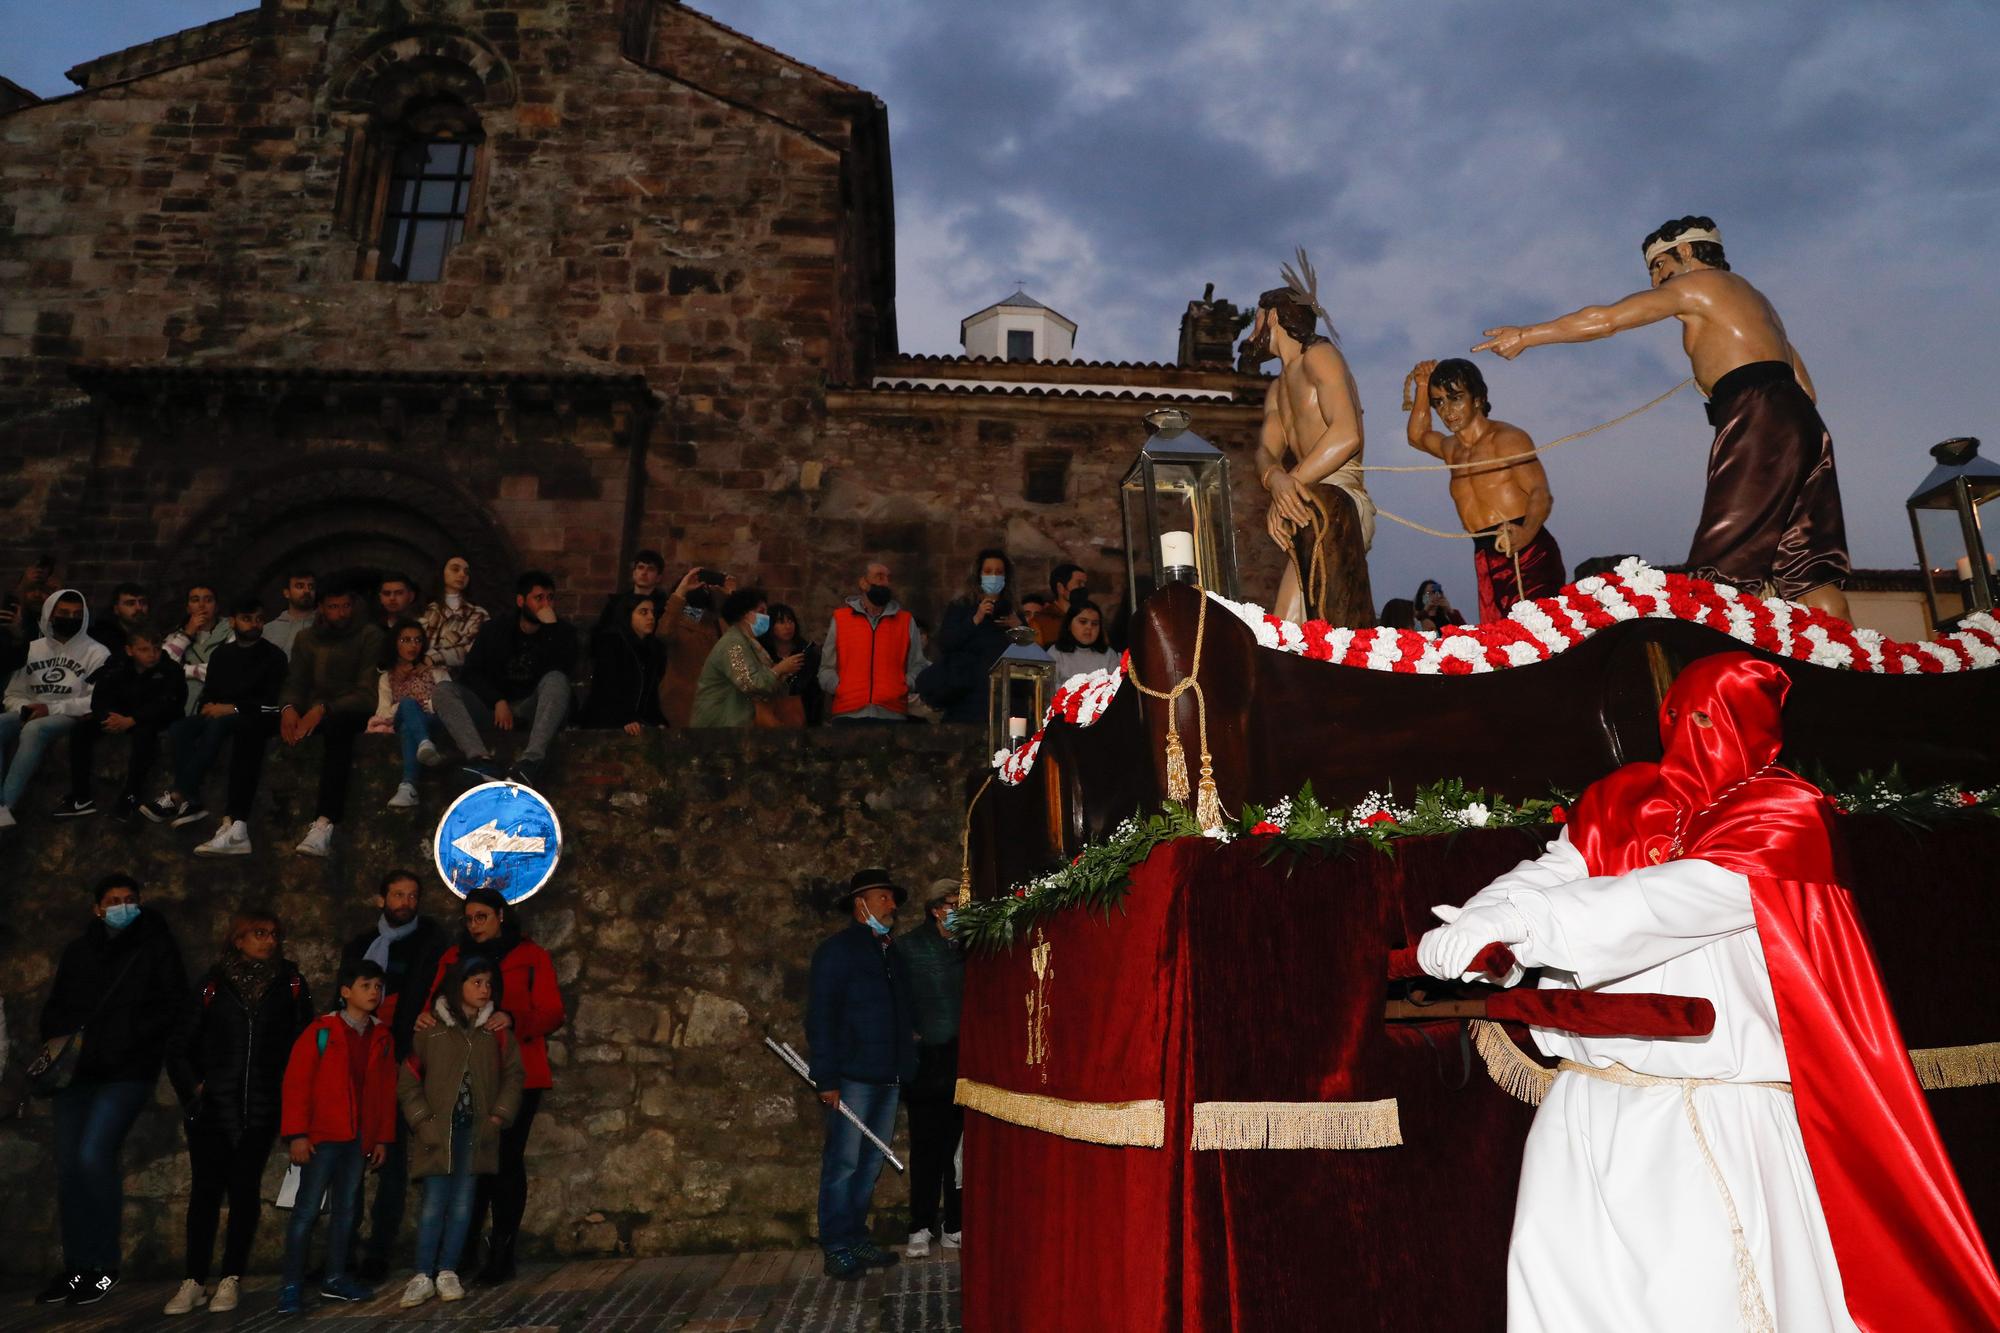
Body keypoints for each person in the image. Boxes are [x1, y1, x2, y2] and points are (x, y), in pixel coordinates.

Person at [1417, 653, 2000, 1331]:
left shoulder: (1786, 815)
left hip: (1712, 1113)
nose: (1695, 732)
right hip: (1584, 1099)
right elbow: (1550, 871)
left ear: (1760, 730)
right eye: (1682, 716)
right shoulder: (1623, 800)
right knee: (1560, 1296)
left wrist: (1523, 925)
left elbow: (1668, 904)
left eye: (1715, 718)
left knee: (1707, 1303)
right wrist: (1480, 922)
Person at [1474, 215, 1851, 621]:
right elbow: (1807, 389)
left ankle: (1727, 675)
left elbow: (1608, 319)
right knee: (1809, 571)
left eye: (1659, 266)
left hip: (1757, 417)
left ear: (1686, 251)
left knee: (1723, 564)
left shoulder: (1697, 285)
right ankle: (1846, 670)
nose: (1658, 281)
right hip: (1803, 424)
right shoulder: (1756, 299)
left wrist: (1527, 335)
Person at [35, 873, 189, 1307]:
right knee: (69, 1168)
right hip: (76, 1075)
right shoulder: (79, 951)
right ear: (97, 908)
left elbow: (172, 1006)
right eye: (114, 900)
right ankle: (77, 1268)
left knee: (92, 1155)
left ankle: (104, 1269)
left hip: (125, 1072)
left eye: (129, 899)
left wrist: (129, 1042)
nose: (123, 905)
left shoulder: (154, 947)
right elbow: (57, 1006)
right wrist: (60, 1040)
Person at [161, 907, 313, 1316]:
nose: (268, 940)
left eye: (274, 934)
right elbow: (179, 1045)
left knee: (244, 1192)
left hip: (261, 1107)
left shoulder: (292, 984)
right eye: (259, 933)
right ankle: (193, 1280)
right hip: (212, 1108)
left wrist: (286, 1096)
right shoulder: (212, 984)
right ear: (239, 938)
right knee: (206, 1193)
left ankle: (231, 1279)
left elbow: (304, 1046)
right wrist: (196, 1089)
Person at [419, 888, 565, 1285]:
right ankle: (461, 1251)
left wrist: (513, 1018)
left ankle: (502, 1253)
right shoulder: (453, 957)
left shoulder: (531, 956)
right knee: (468, 1164)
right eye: (469, 918)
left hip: (517, 1072)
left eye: (481, 916)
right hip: (464, 1073)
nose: (474, 925)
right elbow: (433, 1005)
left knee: (505, 1164)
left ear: (501, 915)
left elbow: (551, 1011)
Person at [1249, 257, 1377, 626]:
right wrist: (1276, 480)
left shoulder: (1320, 357)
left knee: (1291, 625)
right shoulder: (1276, 388)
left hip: (1337, 498)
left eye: (1255, 319)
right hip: (1307, 500)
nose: (1251, 331)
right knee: (1301, 626)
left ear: (1273, 316)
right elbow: (1266, 450)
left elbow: (1347, 433)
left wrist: (1292, 482)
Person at [807, 868, 917, 1280]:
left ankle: (855, 1238)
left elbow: (902, 1012)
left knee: (870, 1164)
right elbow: (821, 1017)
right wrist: (827, 1078)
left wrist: (908, 1059)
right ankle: (836, 1245)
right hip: (852, 1077)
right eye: (884, 898)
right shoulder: (836, 953)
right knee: (844, 1164)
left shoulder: (889, 951)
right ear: (861, 905)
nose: (892, 906)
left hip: (887, 1076)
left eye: (892, 899)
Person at [341, 870, 452, 1281]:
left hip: (405, 1057)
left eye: (412, 895)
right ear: (381, 899)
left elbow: (437, 990)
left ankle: (378, 1254)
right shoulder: (361, 945)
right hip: (364, 1056)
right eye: (398, 894)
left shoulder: (432, 940)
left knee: (392, 1160)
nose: (405, 902)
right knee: (352, 1154)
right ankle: (342, 1252)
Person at [398, 955, 524, 1309]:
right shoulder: (432, 1029)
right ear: (458, 986)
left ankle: (448, 1269)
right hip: (438, 1130)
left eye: (488, 984)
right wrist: (422, 1120)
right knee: (434, 1203)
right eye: (476, 983)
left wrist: (497, 1117)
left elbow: (514, 1075)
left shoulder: (495, 1032)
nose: (484, 990)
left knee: (464, 1203)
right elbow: (409, 1078)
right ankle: (423, 1273)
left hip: (476, 1129)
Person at [276, 957, 395, 1315]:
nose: (373, 992)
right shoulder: (321, 1032)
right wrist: (297, 1134)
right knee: (307, 1211)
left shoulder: (381, 1036)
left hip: (358, 1137)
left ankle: (335, 1277)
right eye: (365, 986)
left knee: (346, 1210)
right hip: (324, 1135)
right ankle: (291, 1285)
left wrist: (381, 1138)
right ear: (345, 992)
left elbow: (386, 1090)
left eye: (378, 987)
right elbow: (297, 1084)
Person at [1405, 359, 1564, 623]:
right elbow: (1417, 435)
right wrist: (1422, 386)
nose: (1447, 410)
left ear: (1478, 398)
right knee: (1499, 647)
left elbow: (1540, 492)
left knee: (1539, 639)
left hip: (1526, 550)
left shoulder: (1506, 438)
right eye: (1439, 402)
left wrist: (1526, 534)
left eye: (1455, 398)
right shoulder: (1450, 449)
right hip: (1484, 555)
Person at [149, 596, 288, 854]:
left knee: (219, 725)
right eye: (247, 619)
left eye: (259, 619)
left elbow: (271, 702)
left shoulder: (274, 656)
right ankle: (192, 801)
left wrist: (232, 708)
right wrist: (211, 706)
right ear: (233, 622)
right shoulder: (223, 654)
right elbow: (212, 691)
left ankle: (180, 792)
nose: (254, 624)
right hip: (221, 710)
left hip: (256, 715)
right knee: (181, 728)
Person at [432, 569, 576, 788]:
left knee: (556, 679)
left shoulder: (560, 632)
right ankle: (481, 760)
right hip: (494, 709)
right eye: (539, 598)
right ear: (521, 601)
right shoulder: (496, 630)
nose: (546, 604)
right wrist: (497, 700)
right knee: (443, 690)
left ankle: (531, 762)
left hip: (531, 709)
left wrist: (551, 630)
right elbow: (470, 672)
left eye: (550, 598)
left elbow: (563, 674)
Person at [279, 580, 385, 858]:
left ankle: (324, 823)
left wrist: (325, 708)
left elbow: (366, 692)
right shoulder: (306, 639)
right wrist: (288, 707)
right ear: (322, 609)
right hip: (311, 709)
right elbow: (296, 680)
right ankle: (234, 822)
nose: (341, 613)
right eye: (334, 607)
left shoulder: (368, 634)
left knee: (339, 734)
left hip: (349, 710)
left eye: (346, 606)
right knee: (252, 726)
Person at [892, 885, 965, 1259]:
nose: (961, 910)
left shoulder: (970, 945)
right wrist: (909, 1037)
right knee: (925, 1147)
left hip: (963, 1059)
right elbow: (897, 999)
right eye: (955, 905)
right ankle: (920, 1226)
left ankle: (954, 1224)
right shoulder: (908, 948)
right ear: (937, 910)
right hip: (926, 1060)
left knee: (958, 1149)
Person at [0, 588, 108, 831]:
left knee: (34, 730)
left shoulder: (98, 652)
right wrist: (27, 709)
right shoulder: (32, 649)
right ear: (50, 614)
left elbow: (96, 699)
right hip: (30, 710)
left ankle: (6, 805)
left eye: (77, 614)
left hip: (69, 714)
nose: (70, 618)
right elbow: (12, 694)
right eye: (64, 613)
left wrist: (50, 709)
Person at [56, 623, 184, 821]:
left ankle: (131, 796)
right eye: (144, 649)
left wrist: (133, 720)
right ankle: (80, 797)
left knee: (145, 734)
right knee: (81, 731)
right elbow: (99, 699)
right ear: (129, 650)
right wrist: (109, 717)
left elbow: (170, 704)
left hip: (153, 721)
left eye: (157, 648)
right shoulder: (116, 666)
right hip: (118, 717)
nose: (152, 654)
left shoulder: (171, 670)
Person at [819, 562, 928, 723]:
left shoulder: (905, 621)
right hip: (848, 712)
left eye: (888, 578)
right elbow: (827, 666)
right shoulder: (841, 619)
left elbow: (918, 664)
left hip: (892, 713)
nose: (885, 582)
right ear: (863, 582)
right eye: (879, 577)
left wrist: (903, 686)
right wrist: (840, 688)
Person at [924, 550, 1019, 723]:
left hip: (1003, 695)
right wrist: (976, 618)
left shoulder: (1012, 610)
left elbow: (1030, 651)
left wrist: (1018, 626)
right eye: (988, 571)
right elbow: (947, 643)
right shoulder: (962, 606)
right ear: (979, 575)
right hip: (966, 693)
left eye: (999, 572)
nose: (994, 577)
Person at [368, 618, 450, 810]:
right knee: (406, 705)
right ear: (395, 643)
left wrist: (424, 705)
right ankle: (424, 742)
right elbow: (383, 712)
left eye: (417, 640)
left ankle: (408, 787)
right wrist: (407, 705)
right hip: (402, 716)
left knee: (408, 726)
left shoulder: (436, 672)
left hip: (432, 719)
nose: (412, 645)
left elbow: (449, 704)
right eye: (405, 640)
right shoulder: (387, 678)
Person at [692, 588, 802, 727]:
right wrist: (779, 669)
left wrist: (782, 674)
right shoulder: (733, 643)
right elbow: (748, 682)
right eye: (761, 612)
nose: (766, 617)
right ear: (745, 615)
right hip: (720, 725)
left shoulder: (750, 643)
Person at [579, 593, 667, 732]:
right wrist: (626, 718)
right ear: (628, 615)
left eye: (653, 613)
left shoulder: (652, 649)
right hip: (606, 720)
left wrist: (657, 721)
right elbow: (607, 687)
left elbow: (650, 693)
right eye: (643, 612)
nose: (651, 617)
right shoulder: (612, 642)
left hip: (636, 720)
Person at [656, 566, 723, 727]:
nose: (703, 589)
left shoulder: (716, 623)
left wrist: (729, 598)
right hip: (681, 702)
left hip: (713, 705)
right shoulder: (677, 619)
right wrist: (681, 591)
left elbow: (736, 653)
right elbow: (663, 633)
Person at [162, 583, 233, 716]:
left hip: (218, 708)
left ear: (216, 607)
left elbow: (226, 671)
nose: (201, 605)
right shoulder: (176, 635)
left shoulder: (231, 631)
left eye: (208, 600)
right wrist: (187, 634)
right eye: (195, 600)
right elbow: (162, 666)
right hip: (181, 708)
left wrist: (183, 670)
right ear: (188, 608)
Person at [417, 556, 487, 671]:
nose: (462, 575)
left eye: (466, 572)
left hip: (458, 682)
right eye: (455, 569)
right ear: (442, 573)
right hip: (421, 677)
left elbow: (472, 650)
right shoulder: (426, 610)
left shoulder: (478, 614)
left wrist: (433, 657)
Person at [759, 603, 823, 725]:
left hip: (803, 717)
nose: (788, 626)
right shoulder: (762, 652)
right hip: (769, 716)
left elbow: (815, 695)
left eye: (790, 621)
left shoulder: (807, 654)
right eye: (781, 622)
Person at [1049, 600, 1118, 682]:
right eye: (1083, 622)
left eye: (1094, 624)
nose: (1089, 627)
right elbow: (1048, 690)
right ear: (1069, 625)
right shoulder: (1055, 654)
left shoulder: (1109, 655)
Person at [596, 549, 665, 628]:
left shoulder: (663, 607)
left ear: (658, 578)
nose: (644, 572)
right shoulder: (616, 603)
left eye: (650, 569)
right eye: (640, 567)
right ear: (634, 573)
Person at [262, 567, 318, 658]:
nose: (307, 591)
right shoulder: (268, 631)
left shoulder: (325, 625)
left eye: (311, 587)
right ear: (287, 593)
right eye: (300, 586)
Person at [1030, 563, 1089, 648]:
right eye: (1079, 583)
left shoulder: (1090, 618)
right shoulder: (1040, 622)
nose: (1083, 588)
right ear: (1061, 588)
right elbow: (1035, 657)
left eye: (1084, 584)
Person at [94, 583, 151, 658]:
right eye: (130, 603)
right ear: (116, 609)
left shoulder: (152, 631)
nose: (139, 608)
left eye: (143, 603)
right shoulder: (105, 638)